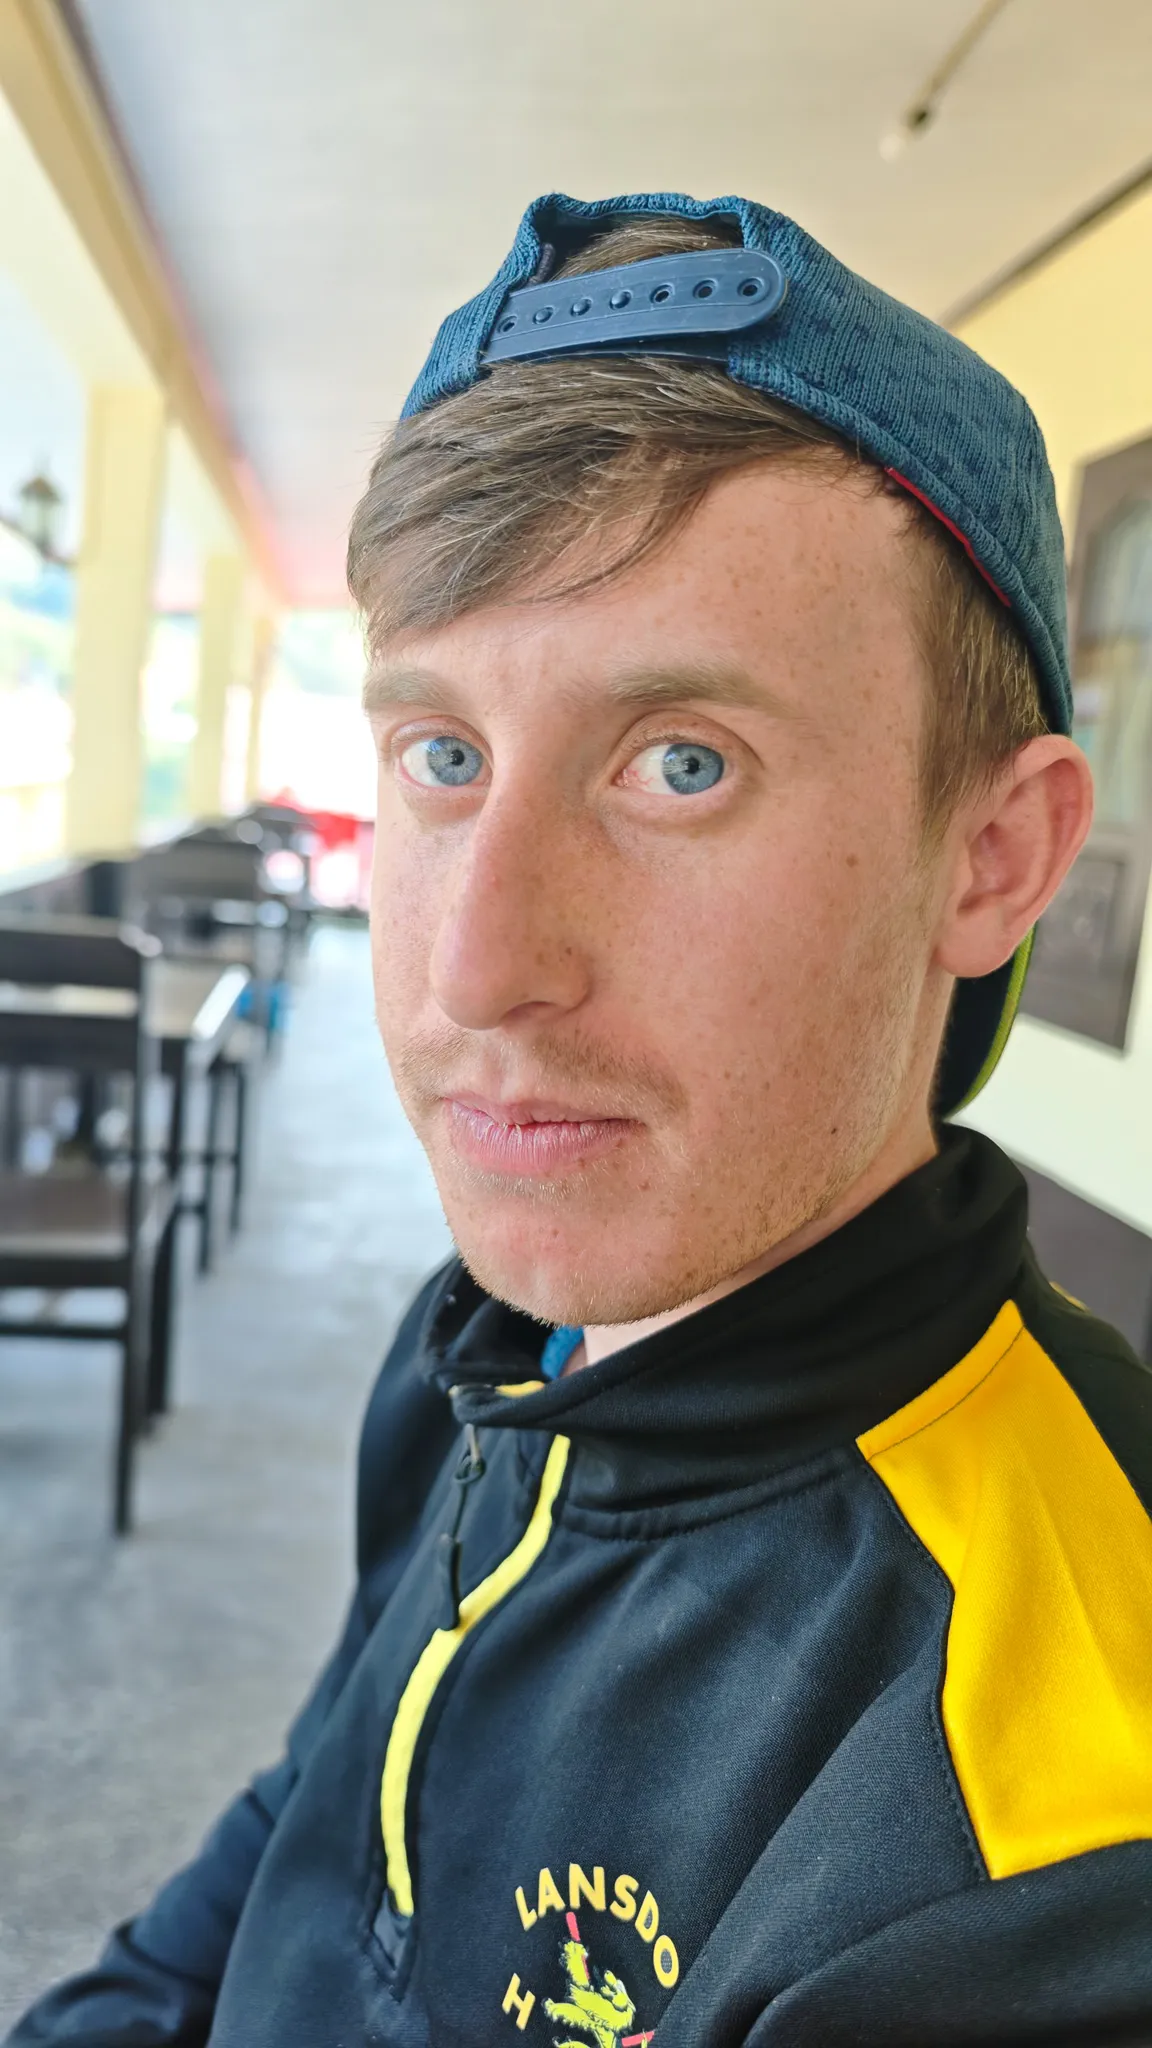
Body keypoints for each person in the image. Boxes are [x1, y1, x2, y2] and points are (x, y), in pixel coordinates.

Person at [11, 190, 1152, 2048]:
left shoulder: (1059, 1828)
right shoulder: (502, 1349)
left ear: (995, 854)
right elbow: (323, 1824)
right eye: (443, 756)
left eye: (680, 765)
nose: (475, 968)